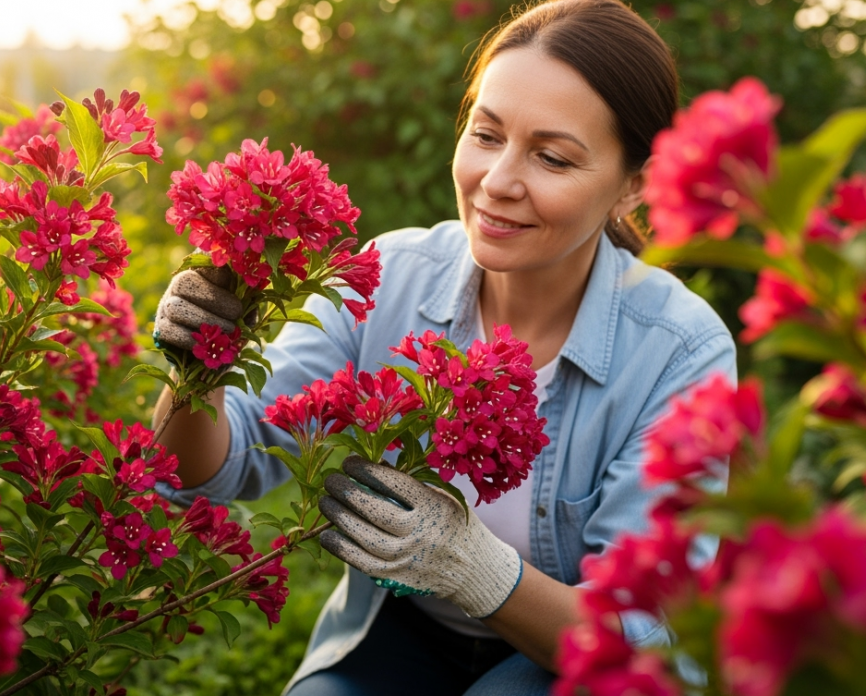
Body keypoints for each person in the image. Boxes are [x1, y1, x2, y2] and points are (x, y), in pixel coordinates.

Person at [151, 0, 735, 693]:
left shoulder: (680, 350)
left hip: (574, 666)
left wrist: (475, 569)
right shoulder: (389, 277)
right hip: (402, 634)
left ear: (633, 183)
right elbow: (218, 467)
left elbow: (647, 637)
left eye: (551, 157)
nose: (499, 182)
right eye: (487, 135)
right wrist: (197, 371)